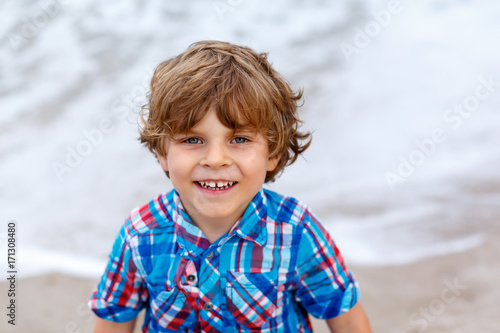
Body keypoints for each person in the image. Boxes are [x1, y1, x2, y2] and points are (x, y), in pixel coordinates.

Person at [89, 40, 371, 333]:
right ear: (162, 152)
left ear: (272, 153)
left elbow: (345, 315)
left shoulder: (295, 230)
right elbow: (113, 319)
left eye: (239, 139)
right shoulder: (141, 234)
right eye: (192, 140)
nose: (215, 159)